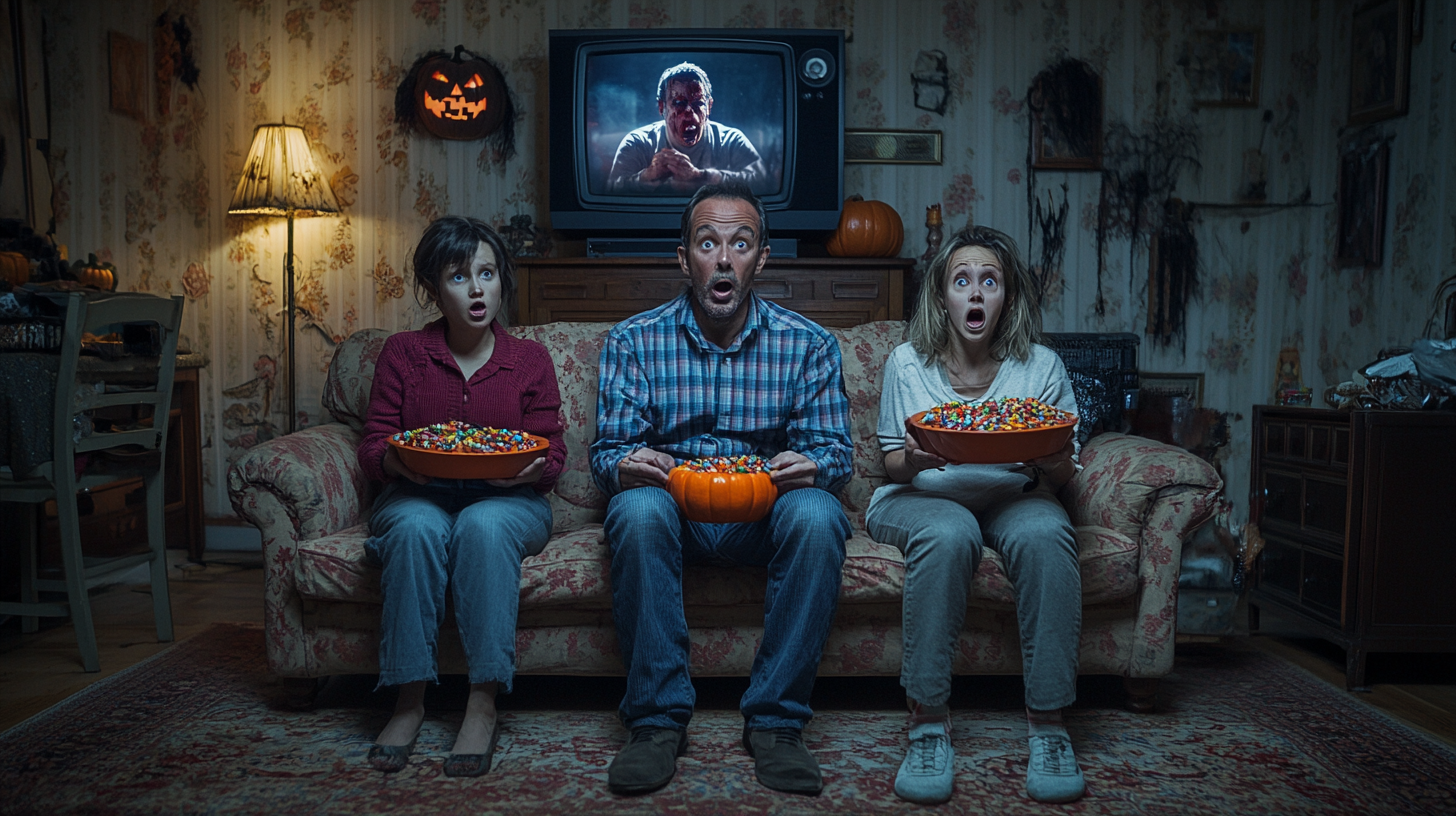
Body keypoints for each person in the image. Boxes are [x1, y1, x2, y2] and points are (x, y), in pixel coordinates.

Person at [590, 182, 853, 796]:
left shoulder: (810, 344)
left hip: (763, 508)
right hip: (674, 507)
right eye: (708, 243)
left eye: (741, 243)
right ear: (685, 259)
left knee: (818, 513)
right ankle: (656, 722)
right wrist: (629, 465)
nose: (724, 258)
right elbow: (607, 454)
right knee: (635, 508)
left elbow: (836, 456)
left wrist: (808, 467)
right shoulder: (632, 341)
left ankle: (776, 724)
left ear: (761, 259)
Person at [865, 225, 1086, 805]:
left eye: (990, 281)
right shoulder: (907, 363)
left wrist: (1054, 457)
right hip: (921, 497)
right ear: (943, 297)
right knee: (951, 530)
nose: (977, 293)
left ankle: (1050, 726)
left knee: (1046, 532)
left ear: (1006, 296)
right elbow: (891, 464)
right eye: (962, 281)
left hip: (1015, 494)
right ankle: (928, 724)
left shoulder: (1040, 368)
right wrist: (913, 457)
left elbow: (1065, 474)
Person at [357, 215, 566, 777]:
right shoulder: (403, 353)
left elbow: (553, 456)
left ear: (502, 281)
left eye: (487, 273)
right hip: (416, 496)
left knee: (482, 526)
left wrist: (528, 473)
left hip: (510, 503)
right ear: (432, 288)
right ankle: (407, 699)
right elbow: (375, 443)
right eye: (459, 277)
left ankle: (482, 702)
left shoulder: (530, 361)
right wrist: (398, 460)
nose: (477, 290)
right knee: (419, 529)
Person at [606, 62, 770, 195]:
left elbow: (763, 181)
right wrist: (648, 176)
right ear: (662, 107)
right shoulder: (638, 142)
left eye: (698, 104)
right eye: (678, 103)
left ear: (709, 106)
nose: (690, 114)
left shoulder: (730, 140)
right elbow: (612, 189)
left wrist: (700, 177)